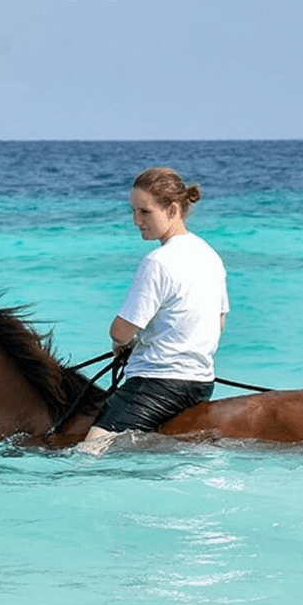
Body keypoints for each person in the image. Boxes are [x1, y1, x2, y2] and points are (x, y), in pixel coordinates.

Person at [82, 166, 229, 446]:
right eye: (133, 211)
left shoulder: (157, 262)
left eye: (145, 212)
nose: (136, 220)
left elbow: (120, 331)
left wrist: (125, 343)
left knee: (88, 454)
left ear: (173, 209)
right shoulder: (210, 256)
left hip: (156, 384)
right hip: (201, 385)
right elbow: (218, 322)